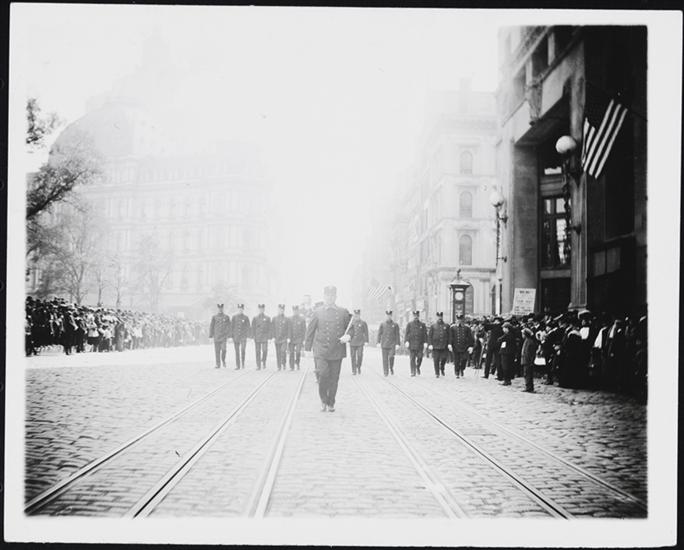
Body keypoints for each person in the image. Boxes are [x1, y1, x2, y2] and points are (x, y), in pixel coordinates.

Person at [304, 285, 351, 412]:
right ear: (324, 296)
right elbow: (310, 331)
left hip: (337, 350)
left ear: (336, 297)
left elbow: (350, 328)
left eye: (332, 295)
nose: (330, 298)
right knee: (323, 375)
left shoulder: (343, 312)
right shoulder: (317, 312)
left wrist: (348, 336)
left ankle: (331, 402)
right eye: (327, 295)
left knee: (334, 378)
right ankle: (323, 399)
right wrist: (307, 349)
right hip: (321, 351)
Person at [377, 310, 401, 376]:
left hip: (392, 344)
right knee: (384, 359)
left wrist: (398, 344)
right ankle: (385, 371)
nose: (388, 317)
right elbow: (379, 334)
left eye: (390, 315)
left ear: (391, 316)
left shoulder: (395, 325)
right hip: (384, 344)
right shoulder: (382, 324)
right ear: (386, 316)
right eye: (387, 315)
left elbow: (397, 334)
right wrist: (378, 342)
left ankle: (391, 367)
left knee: (391, 357)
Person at [404, 310, 427, 376]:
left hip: (420, 345)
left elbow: (425, 334)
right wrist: (406, 341)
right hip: (412, 344)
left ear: (418, 316)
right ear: (413, 316)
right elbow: (406, 334)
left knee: (420, 357)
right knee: (412, 359)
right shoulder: (409, 324)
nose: (415, 317)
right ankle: (412, 372)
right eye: (414, 316)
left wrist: (425, 342)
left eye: (417, 316)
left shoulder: (422, 325)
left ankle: (417, 367)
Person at [209, 303, 231, 368]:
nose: (220, 309)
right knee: (217, 351)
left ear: (223, 309)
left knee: (224, 350)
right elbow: (211, 326)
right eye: (219, 308)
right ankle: (218, 364)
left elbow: (229, 326)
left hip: (224, 337)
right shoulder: (214, 317)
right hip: (216, 336)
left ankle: (223, 360)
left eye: (221, 308)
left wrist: (229, 335)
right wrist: (210, 336)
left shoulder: (226, 317)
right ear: (218, 309)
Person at [428, 312, 449, 378]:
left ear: (442, 317)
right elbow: (430, 336)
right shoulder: (433, 326)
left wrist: (449, 344)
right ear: (436, 317)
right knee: (436, 359)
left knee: (444, 358)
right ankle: (437, 373)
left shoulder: (446, 325)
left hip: (444, 345)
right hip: (435, 346)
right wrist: (430, 344)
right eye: (438, 317)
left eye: (441, 316)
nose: (440, 318)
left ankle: (442, 367)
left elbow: (449, 335)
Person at [347, 309, 369, 375]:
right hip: (352, 342)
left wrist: (366, 341)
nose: (356, 316)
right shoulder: (351, 323)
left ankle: (358, 366)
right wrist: (347, 338)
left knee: (360, 355)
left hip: (360, 342)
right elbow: (348, 331)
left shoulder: (363, 323)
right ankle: (354, 370)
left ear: (359, 315)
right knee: (353, 356)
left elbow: (366, 332)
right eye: (355, 315)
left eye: (358, 315)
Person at [252, 304, 272, 370]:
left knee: (265, 350)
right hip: (257, 337)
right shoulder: (255, 318)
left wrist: (269, 338)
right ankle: (258, 365)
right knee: (257, 351)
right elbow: (253, 328)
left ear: (264, 310)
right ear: (258, 310)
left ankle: (264, 361)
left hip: (264, 337)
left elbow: (270, 328)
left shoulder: (267, 318)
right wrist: (253, 336)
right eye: (260, 309)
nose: (261, 310)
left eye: (262, 309)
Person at [231, 304, 250, 370]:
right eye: (239, 309)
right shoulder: (234, 317)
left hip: (243, 337)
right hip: (236, 337)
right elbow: (232, 327)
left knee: (243, 349)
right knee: (237, 351)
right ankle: (238, 365)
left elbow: (248, 327)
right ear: (238, 309)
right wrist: (231, 336)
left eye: (241, 309)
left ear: (243, 310)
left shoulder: (246, 317)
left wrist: (248, 335)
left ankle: (243, 363)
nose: (240, 310)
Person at [273, 304, 291, 371]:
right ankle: (279, 366)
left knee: (283, 351)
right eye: (280, 310)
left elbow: (289, 328)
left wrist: (288, 337)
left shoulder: (287, 319)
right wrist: (273, 337)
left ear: (284, 310)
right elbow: (272, 328)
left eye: (282, 310)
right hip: (277, 338)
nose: (281, 311)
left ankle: (283, 363)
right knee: (278, 353)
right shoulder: (274, 318)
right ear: (278, 310)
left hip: (284, 339)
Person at [288, 305, 306, 371]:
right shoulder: (289, 319)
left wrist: (304, 339)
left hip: (299, 339)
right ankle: (291, 366)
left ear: (298, 311)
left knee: (298, 352)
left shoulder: (302, 319)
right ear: (293, 311)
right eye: (294, 310)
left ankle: (297, 363)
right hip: (291, 339)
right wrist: (288, 338)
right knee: (291, 352)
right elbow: (288, 329)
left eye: (296, 310)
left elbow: (304, 330)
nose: (295, 312)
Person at [521, 326, 538, 392]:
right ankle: (529, 387)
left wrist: (531, 361)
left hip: (528, 361)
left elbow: (530, 353)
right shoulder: (528, 341)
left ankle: (529, 387)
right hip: (526, 360)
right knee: (527, 374)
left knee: (528, 374)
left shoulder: (529, 342)